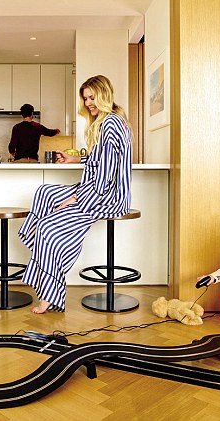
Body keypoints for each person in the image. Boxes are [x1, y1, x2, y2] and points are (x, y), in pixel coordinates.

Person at [18, 75, 132, 313]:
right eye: (86, 98)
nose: (88, 102)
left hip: (106, 196)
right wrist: (75, 158)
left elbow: (106, 174)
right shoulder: (106, 121)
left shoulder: (110, 123)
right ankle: (38, 245)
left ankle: (49, 295)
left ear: (104, 94)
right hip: (97, 189)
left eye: (92, 97)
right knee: (44, 192)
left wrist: (76, 197)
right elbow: (101, 160)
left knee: (49, 228)